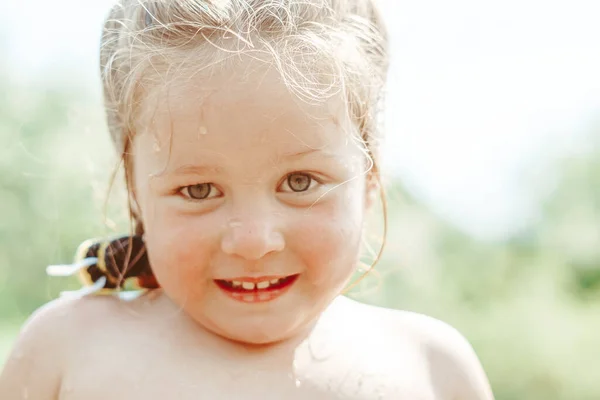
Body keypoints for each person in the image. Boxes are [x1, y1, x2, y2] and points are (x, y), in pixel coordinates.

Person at [0, 0, 494, 398]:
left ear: (369, 177)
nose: (253, 241)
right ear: (135, 190)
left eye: (300, 182)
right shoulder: (69, 350)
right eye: (198, 190)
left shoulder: (431, 369)